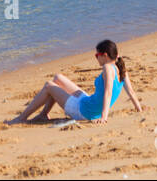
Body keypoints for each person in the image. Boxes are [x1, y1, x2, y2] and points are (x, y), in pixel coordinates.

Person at [10, 39, 143, 124]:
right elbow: (131, 92)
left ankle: (21, 118)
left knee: (48, 86)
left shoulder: (108, 68)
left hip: (84, 111)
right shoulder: (121, 68)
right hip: (88, 102)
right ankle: (44, 114)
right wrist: (139, 109)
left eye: (97, 56)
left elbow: (108, 93)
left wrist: (104, 117)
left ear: (105, 55)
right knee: (58, 78)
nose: (96, 58)